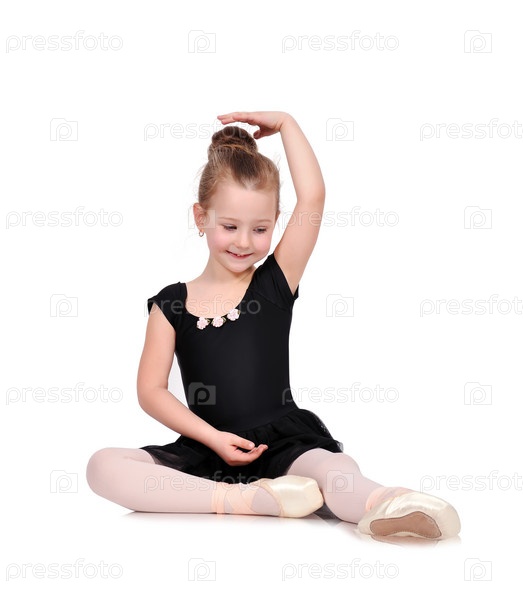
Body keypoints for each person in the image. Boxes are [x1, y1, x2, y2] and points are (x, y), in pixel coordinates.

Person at [86, 111, 461, 539]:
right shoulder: (171, 304)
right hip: (208, 448)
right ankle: (246, 500)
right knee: (103, 465)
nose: (244, 242)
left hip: (285, 445)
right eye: (230, 226)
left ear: (276, 222)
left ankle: (392, 504)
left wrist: (286, 125)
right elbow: (151, 391)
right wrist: (213, 438)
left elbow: (313, 197)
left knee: (332, 470)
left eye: (260, 228)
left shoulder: (274, 284)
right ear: (201, 217)